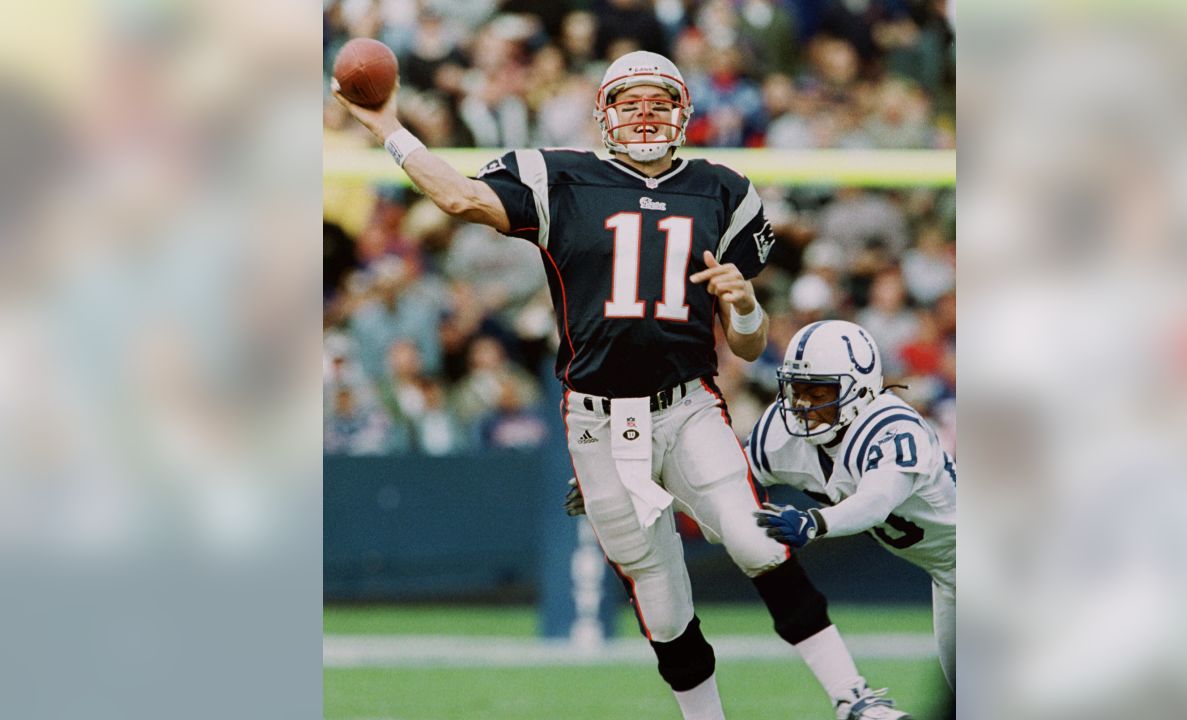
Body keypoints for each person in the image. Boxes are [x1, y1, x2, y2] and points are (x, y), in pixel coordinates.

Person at [334, 49, 906, 720]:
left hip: (688, 404)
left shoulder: (722, 189)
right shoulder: (562, 177)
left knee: (756, 539)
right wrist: (389, 129)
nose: (644, 116)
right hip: (599, 422)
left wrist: (745, 304)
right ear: (603, 113)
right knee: (663, 602)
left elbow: (748, 345)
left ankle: (853, 696)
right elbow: (461, 196)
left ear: (683, 112)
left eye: (658, 103)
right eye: (629, 103)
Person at [750, 320, 957, 695]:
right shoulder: (781, 433)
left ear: (859, 389)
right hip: (948, 575)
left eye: (819, 392)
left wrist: (816, 521)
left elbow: (875, 502)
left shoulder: (892, 427)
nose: (804, 406)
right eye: (798, 390)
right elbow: (730, 479)